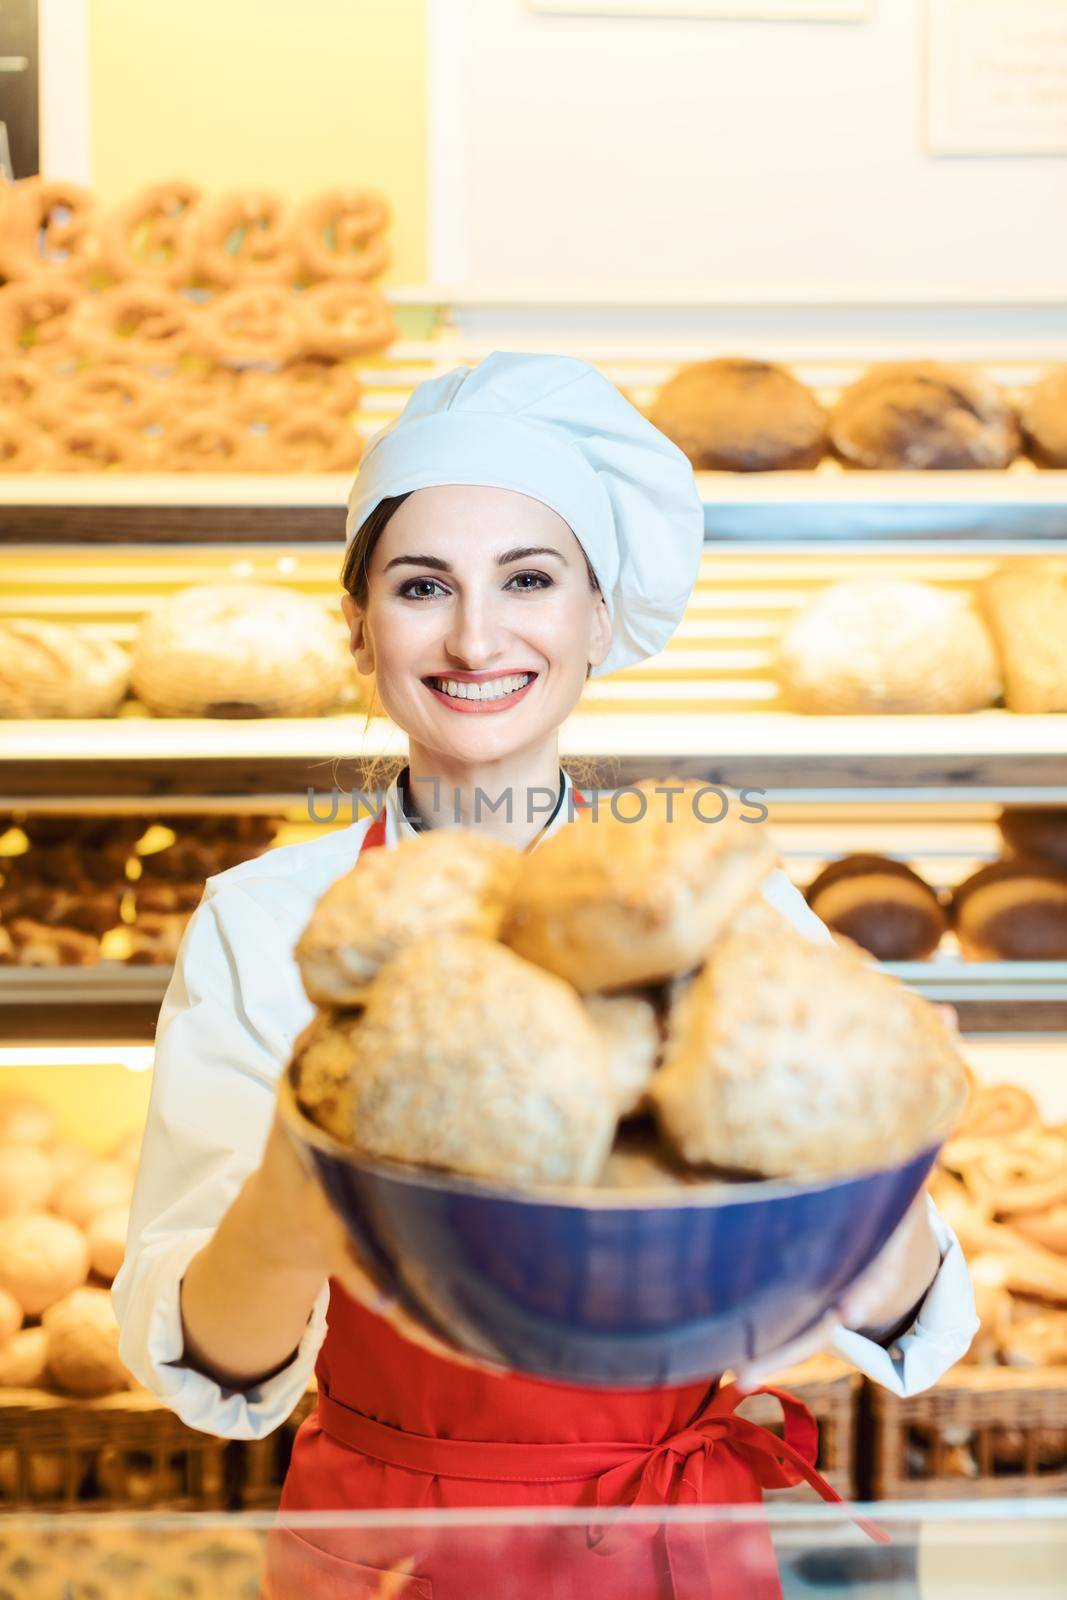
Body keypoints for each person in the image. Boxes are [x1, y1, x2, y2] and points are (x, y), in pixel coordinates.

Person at [112, 353, 978, 1599]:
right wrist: (309, 1174)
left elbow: (910, 1324)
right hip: (388, 1542)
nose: (474, 635)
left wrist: (850, 1168)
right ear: (357, 633)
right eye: (422, 586)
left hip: (674, 1534)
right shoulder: (268, 922)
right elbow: (217, 1368)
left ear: (597, 618)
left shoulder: (717, 911)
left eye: (528, 578)